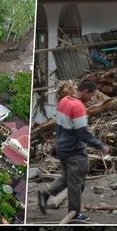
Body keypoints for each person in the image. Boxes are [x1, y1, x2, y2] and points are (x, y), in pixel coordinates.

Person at [38, 78, 110, 222]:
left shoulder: (64, 100)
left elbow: (58, 125)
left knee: (68, 177)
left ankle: (46, 194)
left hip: (61, 148)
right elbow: (82, 132)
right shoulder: (78, 107)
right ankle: (74, 213)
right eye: (91, 95)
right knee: (77, 183)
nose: (92, 99)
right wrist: (100, 145)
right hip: (75, 151)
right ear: (85, 91)